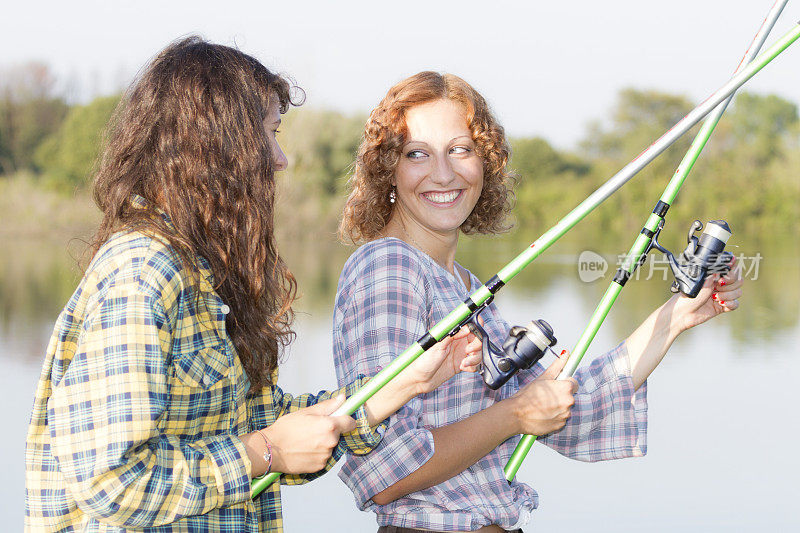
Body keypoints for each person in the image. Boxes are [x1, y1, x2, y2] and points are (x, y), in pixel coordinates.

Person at [24, 42, 481, 532]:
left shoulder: (199, 272)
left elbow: (258, 419)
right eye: (270, 132)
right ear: (218, 143)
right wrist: (266, 452)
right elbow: (108, 483)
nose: (281, 159)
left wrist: (408, 382)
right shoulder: (143, 274)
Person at [333, 71, 744, 532]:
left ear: (484, 163)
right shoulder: (388, 266)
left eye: (460, 149)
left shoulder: (462, 286)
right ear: (388, 167)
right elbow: (384, 474)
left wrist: (677, 315)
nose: (443, 173)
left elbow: (573, 409)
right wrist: (512, 415)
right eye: (417, 154)